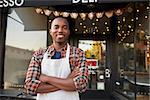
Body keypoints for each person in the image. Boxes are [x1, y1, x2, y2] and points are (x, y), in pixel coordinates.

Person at [24, 17, 89, 100]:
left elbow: (82, 84)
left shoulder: (78, 54)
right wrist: (68, 80)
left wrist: (47, 79)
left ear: (68, 32)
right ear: (50, 31)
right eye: (56, 27)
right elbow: (30, 86)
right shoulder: (39, 54)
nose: (60, 30)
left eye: (64, 28)